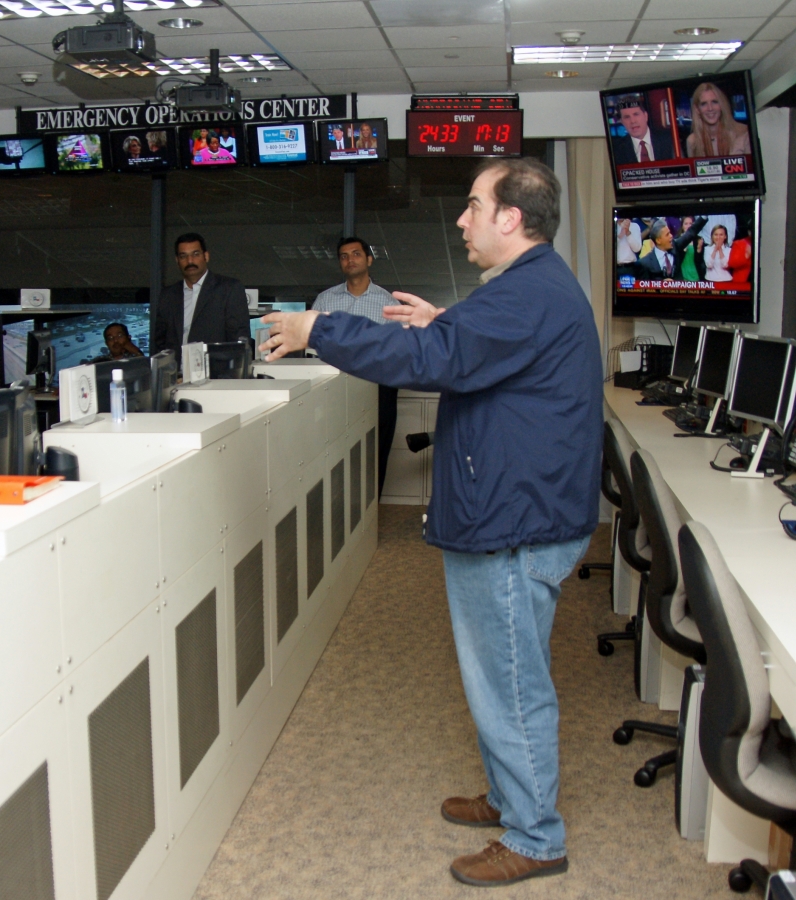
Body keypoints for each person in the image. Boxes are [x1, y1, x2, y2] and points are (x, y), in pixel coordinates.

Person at [260, 158, 602, 887]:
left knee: (509, 682)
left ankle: (536, 836)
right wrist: (447, 324)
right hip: (515, 506)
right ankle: (513, 796)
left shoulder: (527, 292)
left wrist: (320, 326)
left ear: (511, 217)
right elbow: (476, 351)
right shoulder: (527, 289)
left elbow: (430, 361)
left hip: (515, 519)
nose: (460, 219)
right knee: (497, 675)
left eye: (473, 205)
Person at [312, 236, 399, 494]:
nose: (350, 260)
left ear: (369, 260)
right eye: (344, 256)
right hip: (333, 388)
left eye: (356, 254)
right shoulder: (325, 301)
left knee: (375, 451)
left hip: (377, 387)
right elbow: (311, 344)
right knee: (334, 450)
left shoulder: (388, 303)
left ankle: (372, 510)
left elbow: (398, 352)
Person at [152, 232, 250, 356]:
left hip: (215, 371)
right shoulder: (168, 295)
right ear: (177, 260)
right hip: (176, 372)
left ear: (206, 256)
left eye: (195, 254)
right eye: (183, 256)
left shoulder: (228, 289)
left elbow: (238, 338)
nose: (190, 261)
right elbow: (160, 341)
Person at [685, 81, 751, 158]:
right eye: (704, 104)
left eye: (714, 102)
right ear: (697, 109)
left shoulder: (743, 133)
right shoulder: (692, 141)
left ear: (721, 105)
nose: (710, 108)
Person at [635, 217, 706, 279]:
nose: (671, 236)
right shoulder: (645, 263)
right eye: (667, 234)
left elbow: (691, 232)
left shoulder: (676, 246)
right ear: (658, 240)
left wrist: (704, 216)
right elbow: (644, 287)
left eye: (670, 233)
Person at [610, 99, 677, 165]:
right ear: (622, 122)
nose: (633, 121)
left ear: (645, 116)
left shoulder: (670, 139)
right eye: (627, 117)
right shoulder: (616, 150)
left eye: (636, 114)